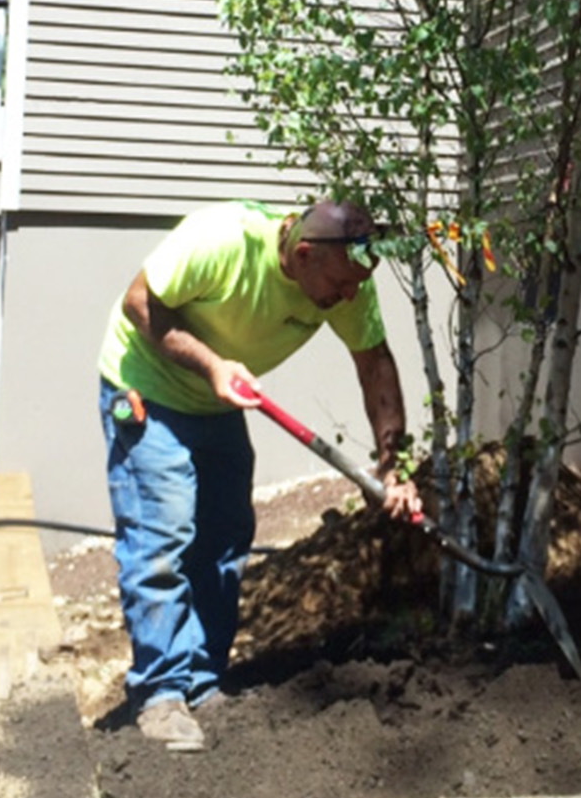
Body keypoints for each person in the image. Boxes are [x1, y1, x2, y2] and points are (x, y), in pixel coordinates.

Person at [97, 198, 420, 750]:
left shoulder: (348, 280)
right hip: (148, 383)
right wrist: (214, 365)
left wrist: (395, 465)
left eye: (355, 286)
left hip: (217, 403)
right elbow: (139, 303)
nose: (349, 296)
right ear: (302, 254)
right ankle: (160, 694)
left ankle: (201, 682)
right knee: (163, 537)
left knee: (225, 539)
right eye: (340, 284)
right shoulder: (222, 241)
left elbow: (375, 364)